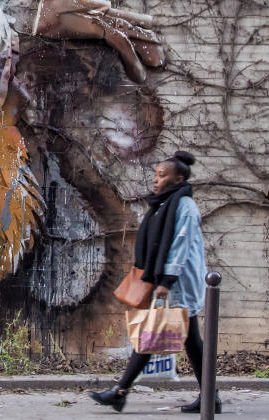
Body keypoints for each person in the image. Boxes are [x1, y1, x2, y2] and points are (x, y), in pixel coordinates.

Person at [90, 150, 219, 414]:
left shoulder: (184, 206)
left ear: (179, 178)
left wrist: (167, 281)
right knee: (188, 341)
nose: (156, 180)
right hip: (170, 282)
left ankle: (121, 391)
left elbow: (180, 247)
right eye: (156, 174)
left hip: (178, 283)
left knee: (153, 334)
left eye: (162, 175)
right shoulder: (164, 203)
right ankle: (211, 397)